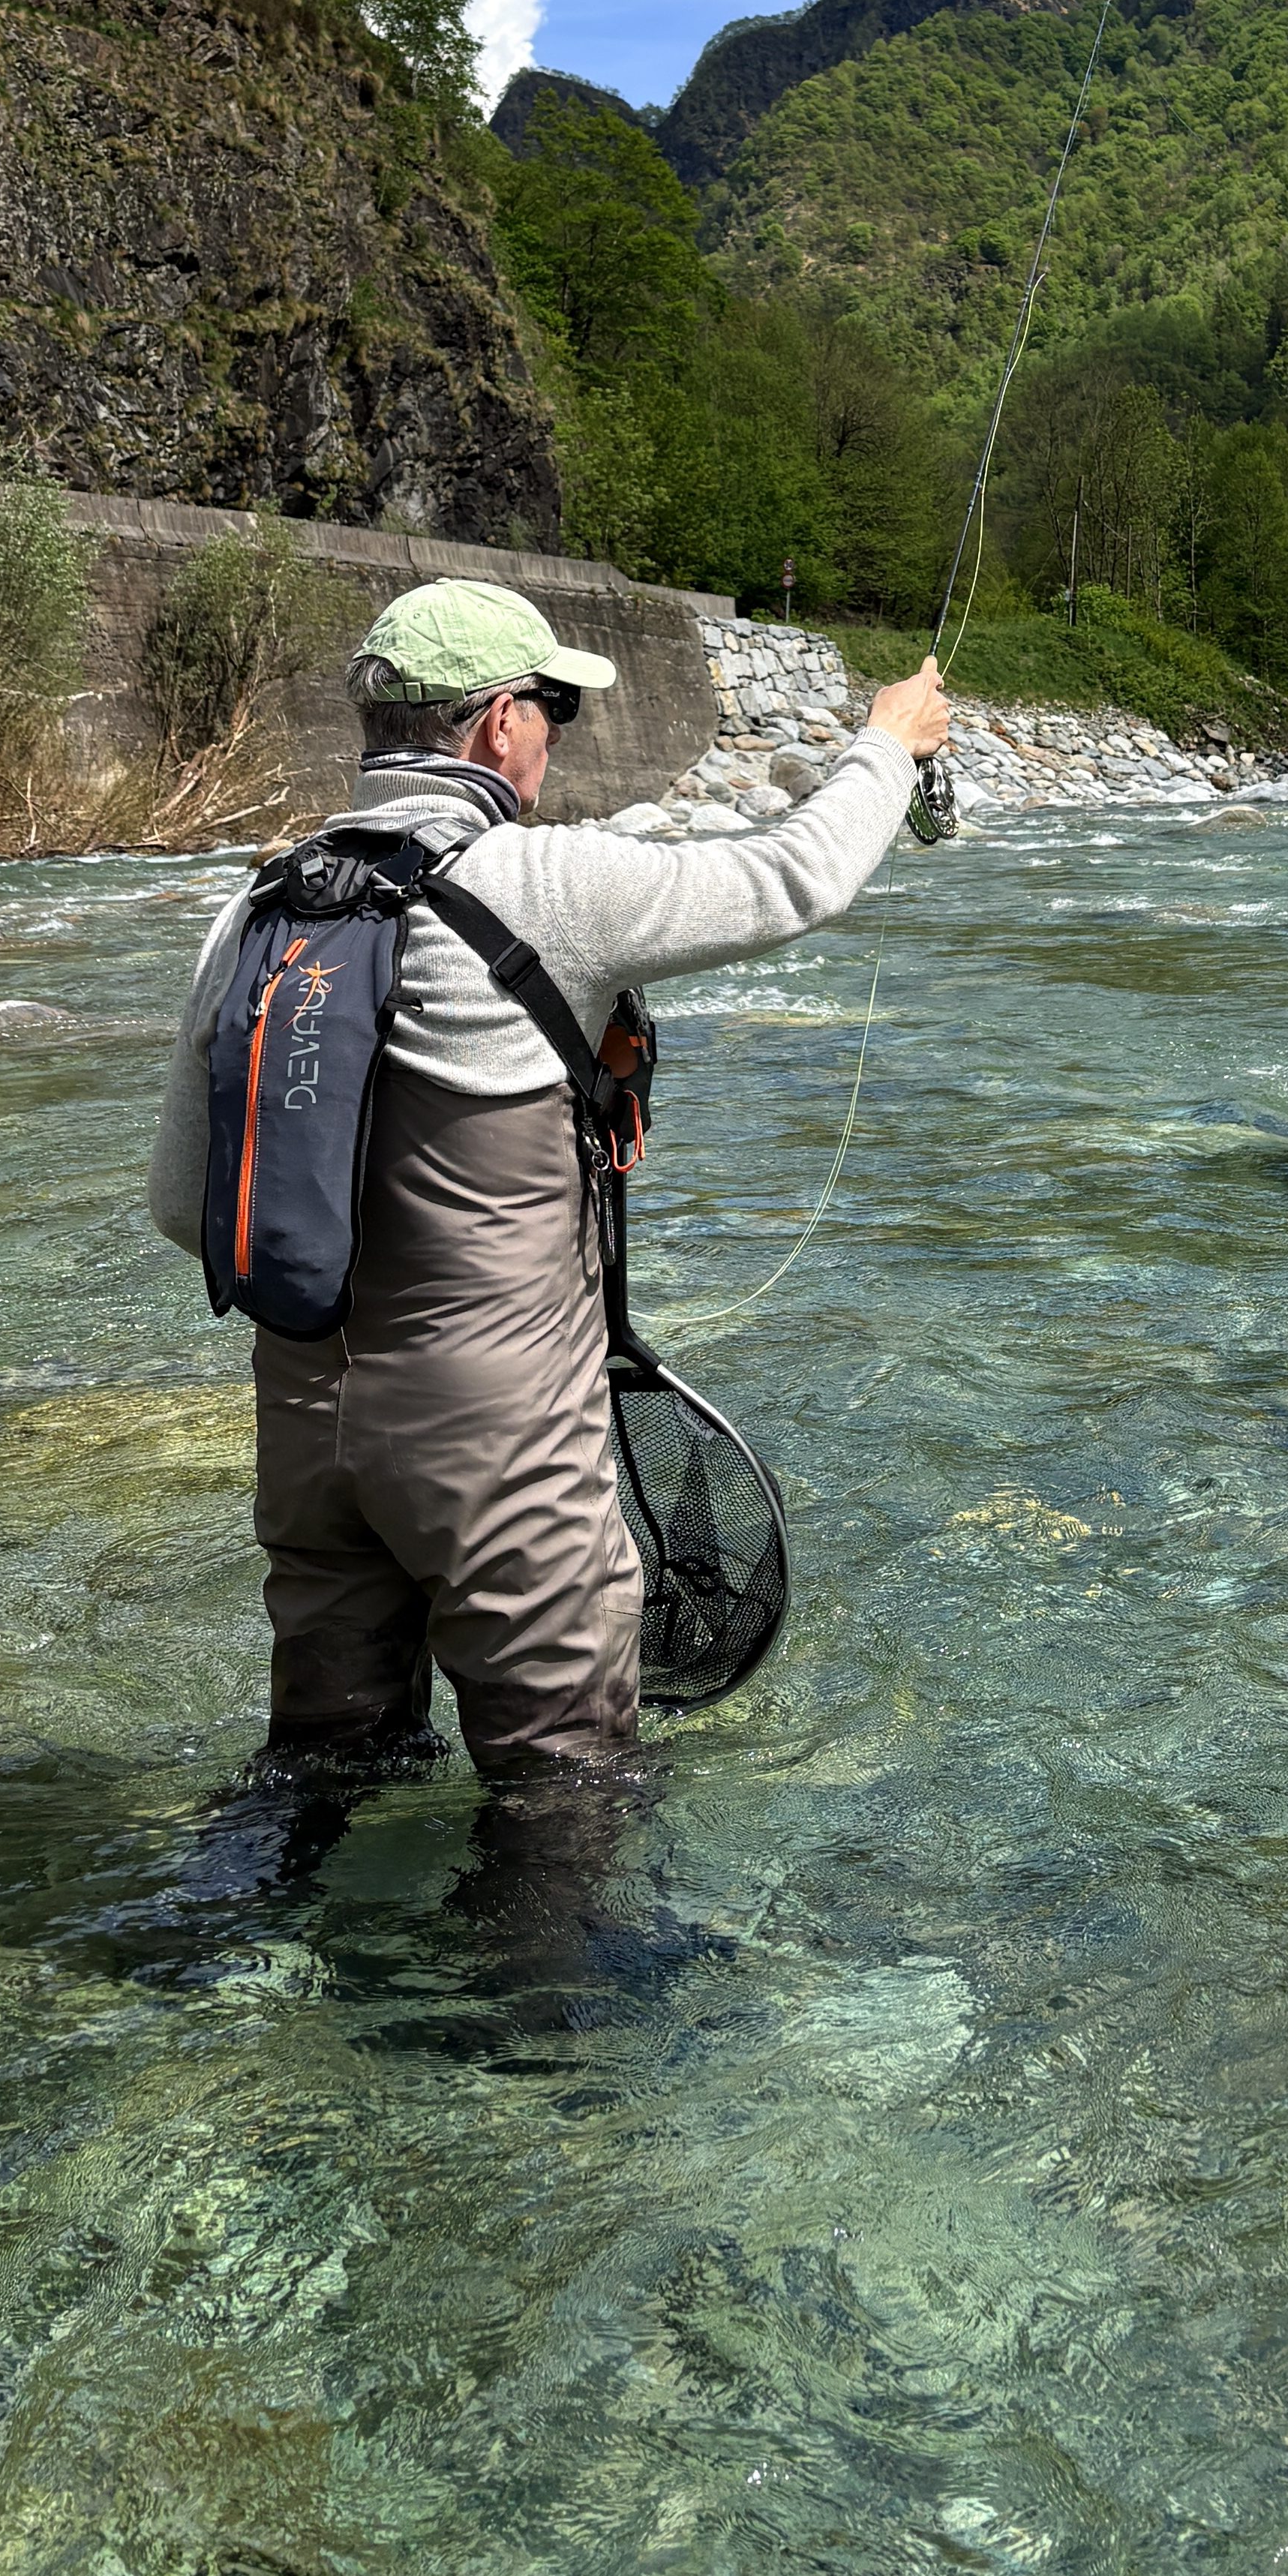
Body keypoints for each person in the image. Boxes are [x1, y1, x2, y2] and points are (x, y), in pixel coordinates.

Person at [146, 575, 948, 1779]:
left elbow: (182, 1207)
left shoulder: (260, 906)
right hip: (498, 1445)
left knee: (324, 1763)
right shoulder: (549, 883)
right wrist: (886, 745)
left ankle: (252, 1964)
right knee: (561, 1794)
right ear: (497, 722)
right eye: (553, 710)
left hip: (305, 1431)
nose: (555, 739)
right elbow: (798, 879)